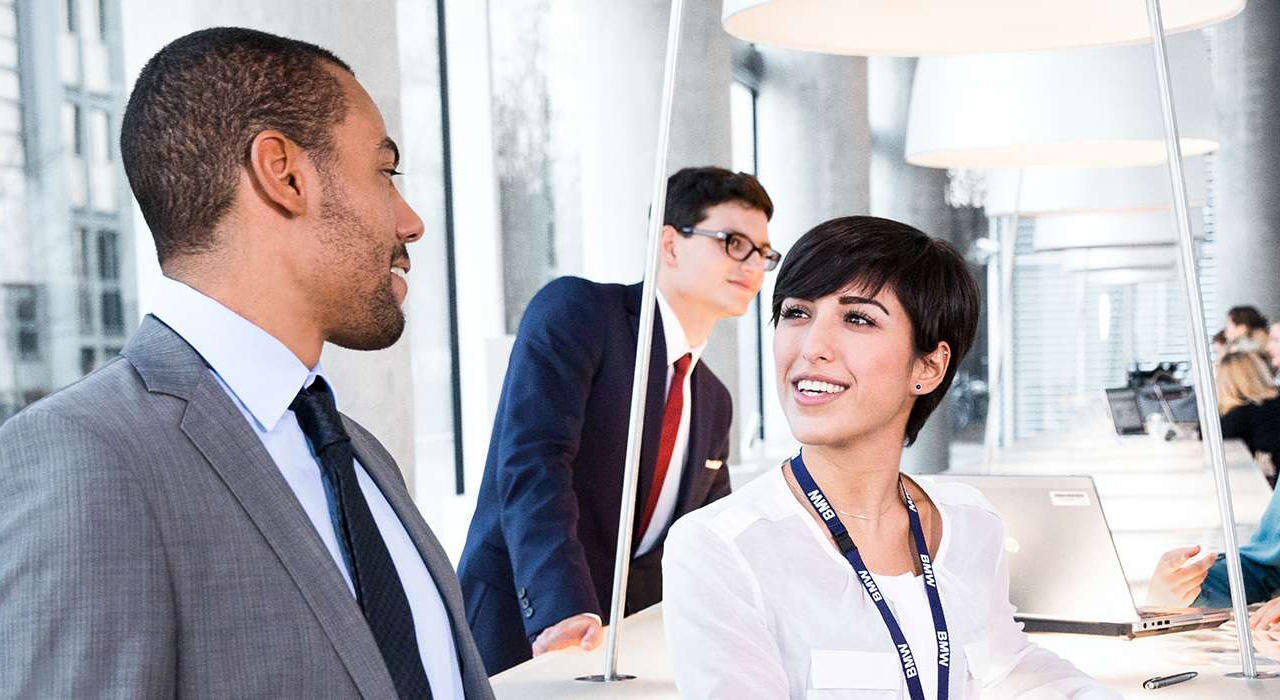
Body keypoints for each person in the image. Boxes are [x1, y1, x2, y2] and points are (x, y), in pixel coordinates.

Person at [0, 28, 491, 698]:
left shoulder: (360, 457)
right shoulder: (87, 457)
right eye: (384, 172)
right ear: (282, 173)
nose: (410, 223)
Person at [663, 216, 1118, 699]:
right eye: (796, 313)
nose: (812, 347)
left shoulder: (967, 521)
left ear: (928, 366)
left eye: (857, 319)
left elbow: (1004, 665)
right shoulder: (720, 548)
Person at [458, 167, 776, 674]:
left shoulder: (713, 399)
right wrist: (564, 608)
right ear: (669, 245)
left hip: (623, 650)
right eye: (734, 242)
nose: (752, 264)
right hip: (521, 629)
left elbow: (701, 536)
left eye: (763, 253)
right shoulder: (579, 313)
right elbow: (534, 465)